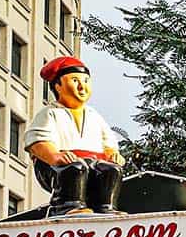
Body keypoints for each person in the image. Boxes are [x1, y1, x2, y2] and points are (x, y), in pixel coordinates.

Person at [24, 56, 126, 217]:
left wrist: (113, 155)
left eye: (86, 81)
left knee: (111, 170)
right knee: (75, 168)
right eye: (75, 81)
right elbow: (37, 142)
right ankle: (67, 205)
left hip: (93, 162)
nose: (82, 87)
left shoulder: (94, 116)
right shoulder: (50, 113)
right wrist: (55, 156)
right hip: (57, 167)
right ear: (58, 86)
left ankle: (105, 206)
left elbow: (108, 143)